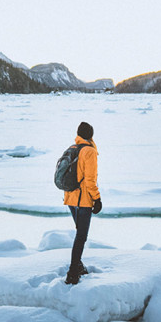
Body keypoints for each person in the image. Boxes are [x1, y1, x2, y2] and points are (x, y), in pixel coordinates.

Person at [64, 121, 102, 285]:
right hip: (83, 200)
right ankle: (73, 272)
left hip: (71, 198)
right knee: (81, 236)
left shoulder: (73, 148)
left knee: (79, 232)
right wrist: (97, 199)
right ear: (91, 135)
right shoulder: (89, 152)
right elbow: (90, 180)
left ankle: (78, 266)